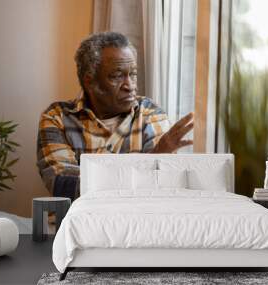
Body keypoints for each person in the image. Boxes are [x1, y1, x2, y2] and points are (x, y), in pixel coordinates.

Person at [37, 32, 194, 200]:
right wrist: (151, 161)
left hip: (137, 221)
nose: (130, 86)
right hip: (78, 221)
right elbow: (64, 187)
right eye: (117, 76)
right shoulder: (58, 117)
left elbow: (157, 191)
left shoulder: (150, 113)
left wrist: (103, 180)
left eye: (132, 74)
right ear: (90, 81)